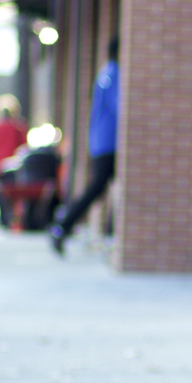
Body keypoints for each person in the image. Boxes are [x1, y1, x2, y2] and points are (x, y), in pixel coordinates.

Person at [49, 36, 119, 254]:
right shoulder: (113, 74)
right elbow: (121, 107)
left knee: (105, 186)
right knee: (98, 187)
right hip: (108, 142)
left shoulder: (107, 72)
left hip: (103, 141)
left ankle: (109, 231)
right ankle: (64, 225)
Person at [0, 95, 28, 227]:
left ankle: (3, 219)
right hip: (12, 165)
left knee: (1, 192)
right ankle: (12, 218)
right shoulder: (18, 127)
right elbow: (24, 146)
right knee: (12, 194)